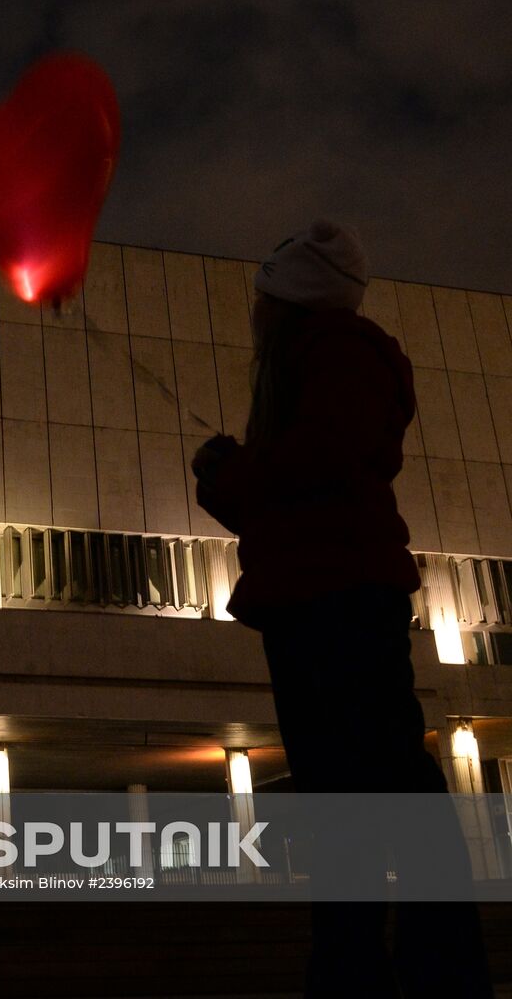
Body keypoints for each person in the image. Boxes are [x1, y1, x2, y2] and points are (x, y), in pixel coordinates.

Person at [190, 220, 493, 997]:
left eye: (262, 297)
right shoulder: (321, 363)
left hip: (337, 601)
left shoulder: (335, 353)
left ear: (289, 299)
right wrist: (233, 482)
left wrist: (240, 475)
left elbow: (315, 467)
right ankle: (368, 966)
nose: (252, 313)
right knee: (349, 794)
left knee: (380, 783)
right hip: (316, 598)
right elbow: (298, 497)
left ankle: (425, 968)